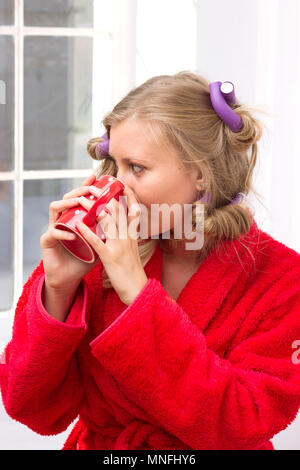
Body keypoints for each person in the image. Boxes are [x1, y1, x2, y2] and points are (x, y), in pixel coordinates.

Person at [1, 71, 300, 450]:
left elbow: (240, 421)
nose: (116, 186)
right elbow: (32, 408)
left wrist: (140, 297)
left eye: (137, 168)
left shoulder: (283, 279)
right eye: (115, 165)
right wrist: (59, 290)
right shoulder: (96, 252)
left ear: (201, 175)